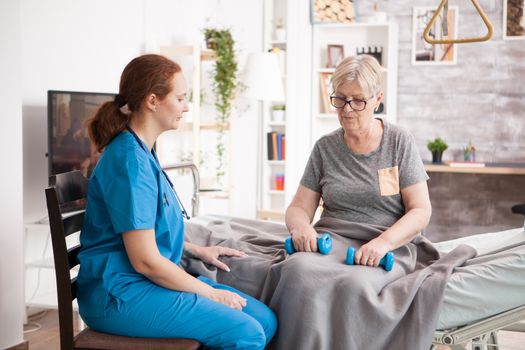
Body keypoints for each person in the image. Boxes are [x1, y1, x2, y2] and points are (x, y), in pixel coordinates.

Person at [78, 54, 277, 349]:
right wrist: (211, 294)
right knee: (246, 333)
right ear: (153, 100)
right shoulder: (130, 162)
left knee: (264, 320)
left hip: (140, 282)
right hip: (119, 294)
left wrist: (196, 249)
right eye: (181, 98)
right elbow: (145, 260)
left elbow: (140, 230)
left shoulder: (143, 151)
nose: (186, 106)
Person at [285, 54, 431, 266]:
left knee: (353, 283)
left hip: (386, 247)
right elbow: (298, 208)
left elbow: (420, 210)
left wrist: (383, 243)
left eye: (358, 100)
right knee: (297, 268)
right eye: (341, 99)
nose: (347, 109)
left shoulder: (399, 141)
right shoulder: (325, 147)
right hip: (332, 242)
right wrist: (301, 227)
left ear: (377, 100)